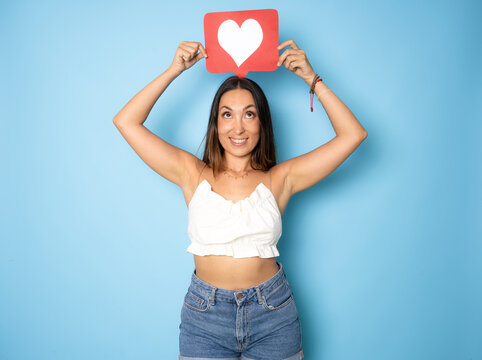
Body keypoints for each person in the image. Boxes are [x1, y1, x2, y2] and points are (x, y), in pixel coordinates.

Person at [113, 39, 367, 360]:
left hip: (272, 316)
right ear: (216, 123)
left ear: (262, 122)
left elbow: (353, 135)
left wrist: (312, 79)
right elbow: (126, 121)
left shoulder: (281, 178)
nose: (238, 126)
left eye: (249, 114)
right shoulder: (190, 173)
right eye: (227, 114)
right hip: (204, 319)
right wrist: (174, 70)